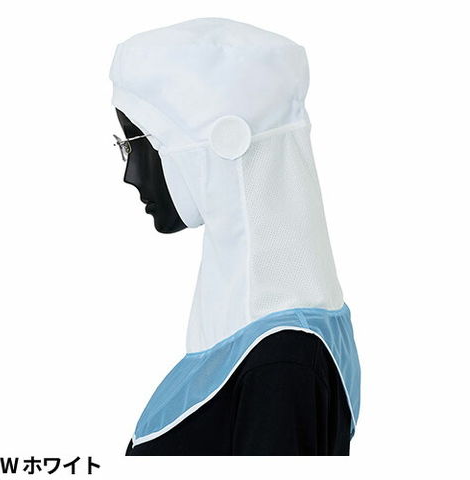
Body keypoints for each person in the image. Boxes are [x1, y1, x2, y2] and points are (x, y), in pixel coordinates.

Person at [110, 18, 361, 456]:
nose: (129, 175)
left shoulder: (281, 364)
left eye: (135, 143)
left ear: (220, 143)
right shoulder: (266, 336)